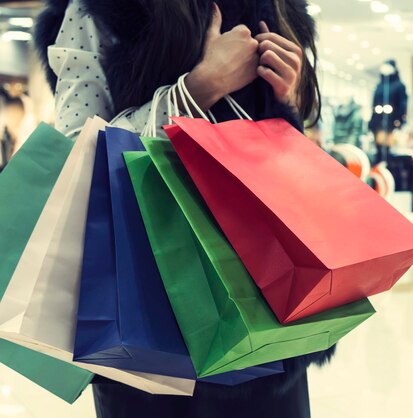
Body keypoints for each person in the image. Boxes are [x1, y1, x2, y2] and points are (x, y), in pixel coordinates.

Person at [35, 1, 331, 417]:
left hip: (265, 306)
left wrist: (286, 102)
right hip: (146, 307)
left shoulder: (279, 7)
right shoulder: (97, 11)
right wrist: (196, 90)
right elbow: (76, 153)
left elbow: (284, 164)